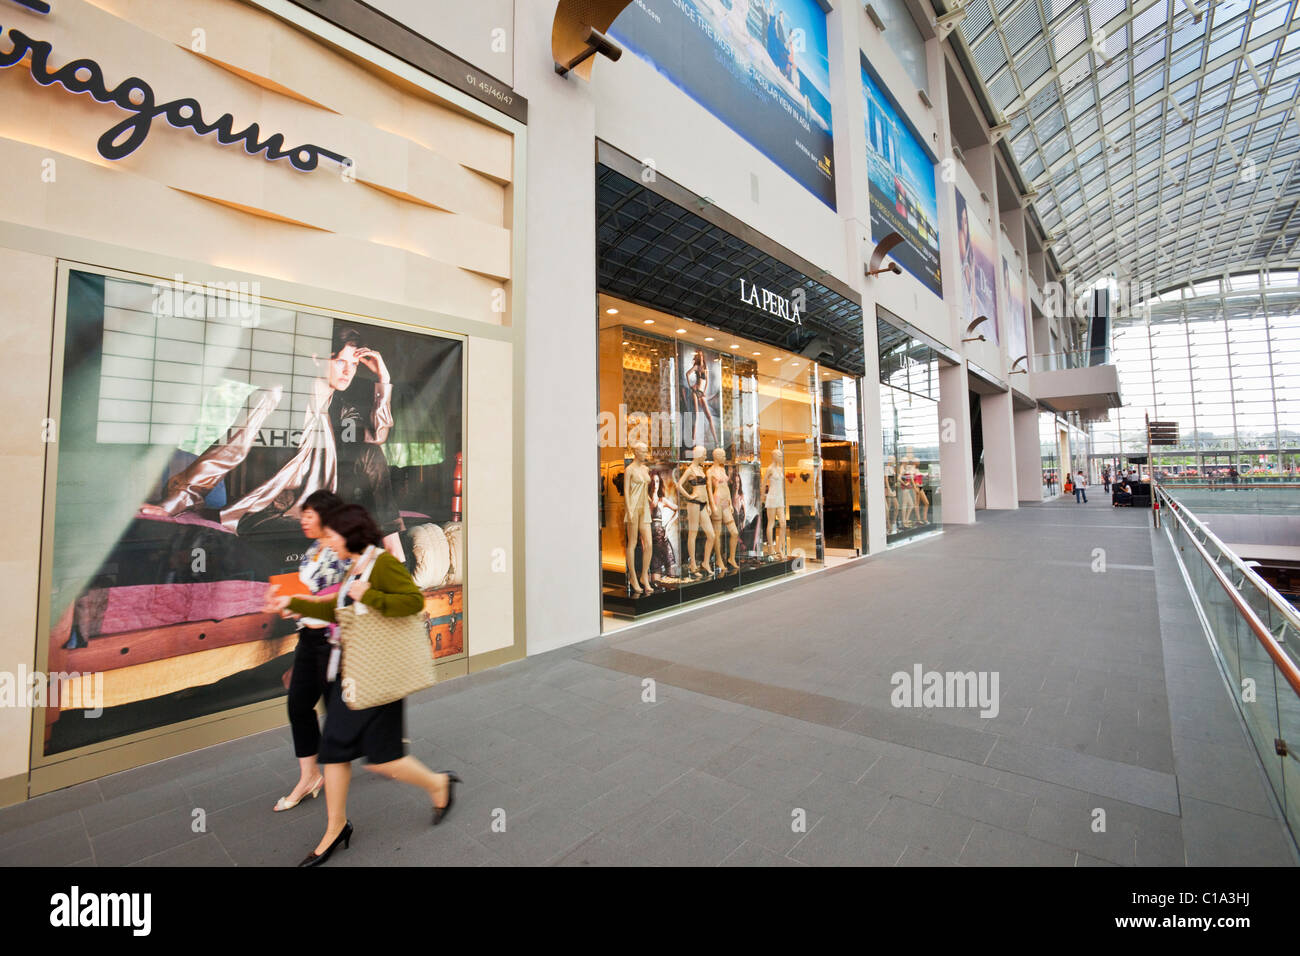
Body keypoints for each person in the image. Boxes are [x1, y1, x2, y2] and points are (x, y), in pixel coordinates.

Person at [264, 505, 458, 867]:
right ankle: (336, 827)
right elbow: (338, 611)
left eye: (332, 535)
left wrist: (369, 595)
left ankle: (438, 784)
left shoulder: (380, 564)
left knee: (381, 761)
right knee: (344, 751)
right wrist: (295, 603)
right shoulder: (352, 565)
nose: (327, 541)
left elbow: (413, 602)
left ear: (350, 534)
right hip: (352, 674)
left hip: (378, 674)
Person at [140, 326, 406, 561]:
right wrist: (174, 502)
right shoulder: (276, 396)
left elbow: (376, 442)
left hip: (323, 507)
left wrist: (383, 381)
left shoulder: (338, 407)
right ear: (317, 359)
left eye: (355, 365)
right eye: (340, 362)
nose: (349, 371)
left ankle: (394, 549)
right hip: (271, 511)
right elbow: (228, 450)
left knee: (368, 452)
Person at [274, 489, 347, 814]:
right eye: (302, 514)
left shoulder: (342, 550)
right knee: (298, 706)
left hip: (333, 644)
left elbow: (337, 602)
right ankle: (310, 777)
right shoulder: (313, 548)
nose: (303, 520)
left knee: (339, 715)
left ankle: (387, 753)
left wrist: (298, 606)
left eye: (309, 515)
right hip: (308, 639)